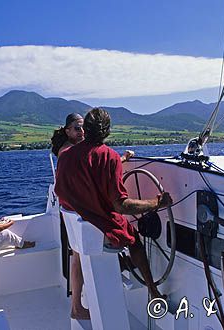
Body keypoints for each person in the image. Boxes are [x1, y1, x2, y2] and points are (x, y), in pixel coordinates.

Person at [55, 108, 172, 303]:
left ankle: (123, 265)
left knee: (122, 234)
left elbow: (61, 189)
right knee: (134, 240)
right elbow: (122, 206)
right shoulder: (108, 156)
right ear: (107, 131)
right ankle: (152, 289)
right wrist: (158, 202)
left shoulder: (66, 155)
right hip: (98, 228)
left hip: (77, 226)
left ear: (86, 129)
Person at [51, 112, 136, 320]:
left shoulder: (67, 151)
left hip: (70, 210)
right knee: (125, 236)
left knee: (77, 257)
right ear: (67, 130)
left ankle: (77, 305)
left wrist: (120, 158)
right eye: (76, 128)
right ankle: (78, 306)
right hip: (78, 211)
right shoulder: (69, 152)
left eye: (82, 128)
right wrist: (118, 159)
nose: (81, 132)